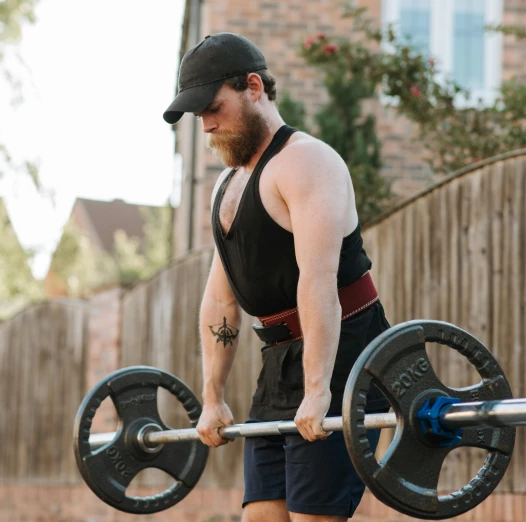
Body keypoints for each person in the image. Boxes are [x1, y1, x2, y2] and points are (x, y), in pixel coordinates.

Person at [163, 33, 391, 522]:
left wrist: (318, 390)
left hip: (343, 353)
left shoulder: (306, 162)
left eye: (212, 107)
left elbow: (318, 282)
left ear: (252, 87)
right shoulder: (226, 185)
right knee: (260, 515)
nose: (206, 124)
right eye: (198, 115)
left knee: (314, 516)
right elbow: (221, 301)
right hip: (279, 364)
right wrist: (212, 398)